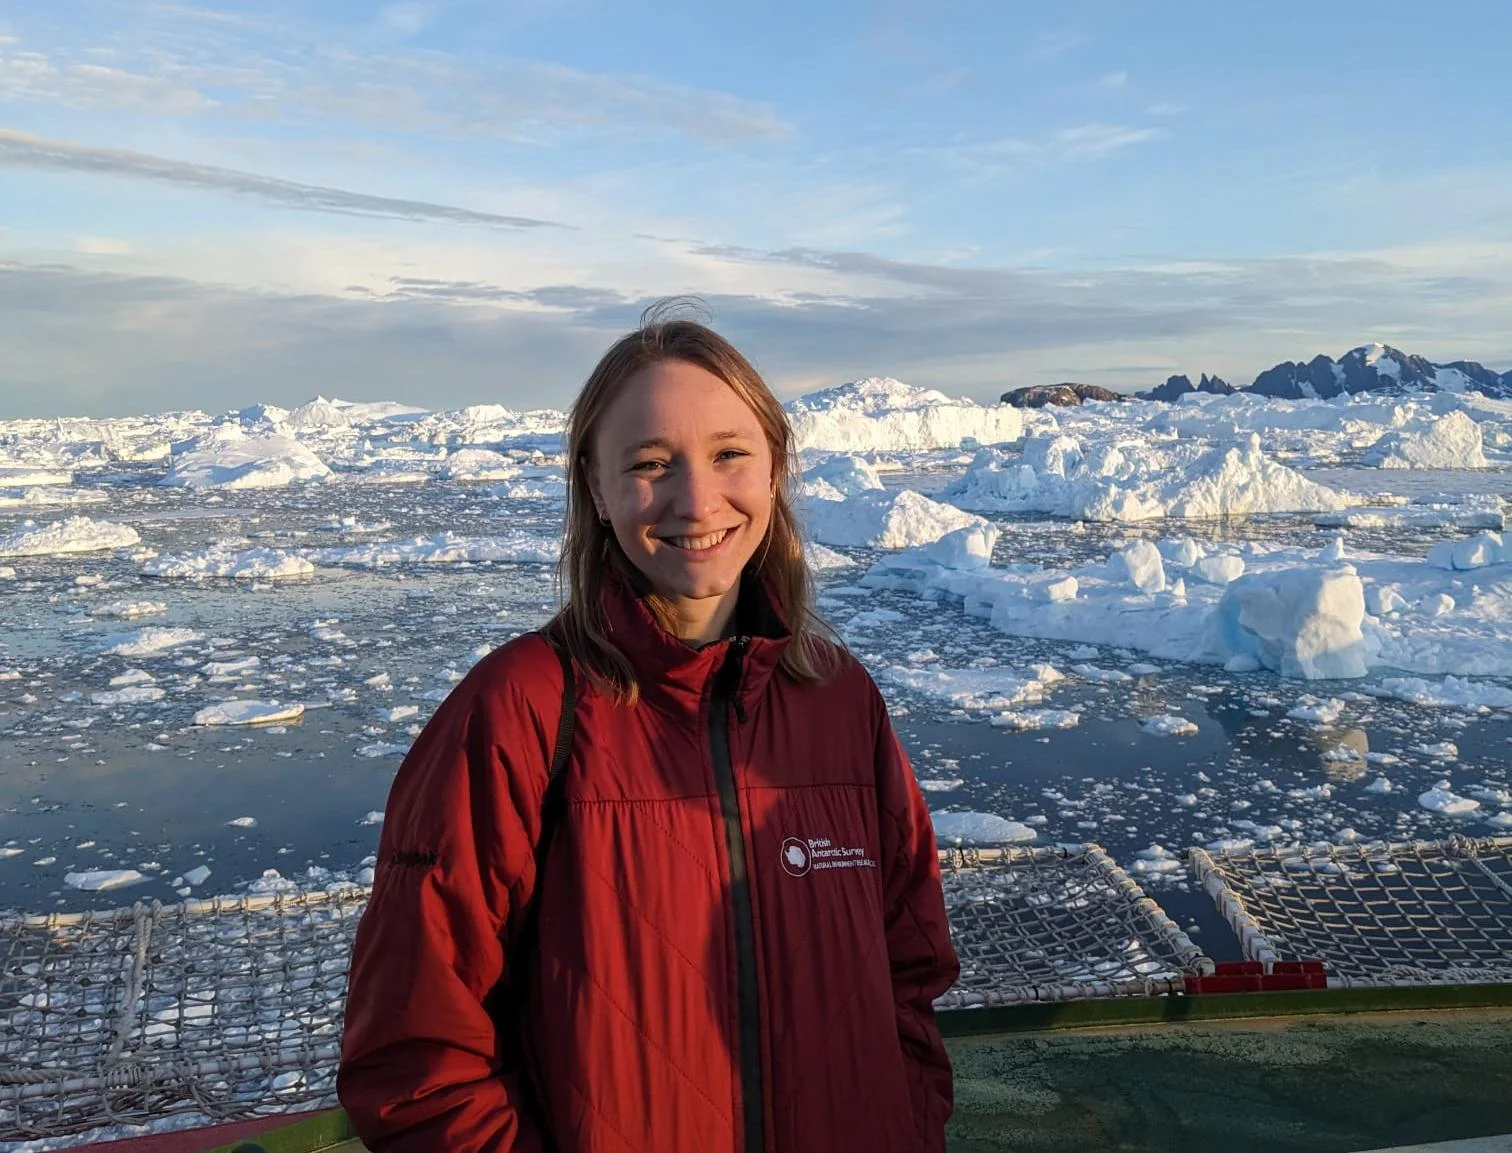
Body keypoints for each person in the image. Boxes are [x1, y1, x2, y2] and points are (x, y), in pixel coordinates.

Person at [337, 308, 959, 1153]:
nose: (696, 499)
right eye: (650, 463)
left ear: (774, 469)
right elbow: (416, 1057)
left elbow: (908, 980)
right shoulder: (520, 710)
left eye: (728, 453)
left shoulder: (841, 702)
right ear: (595, 488)